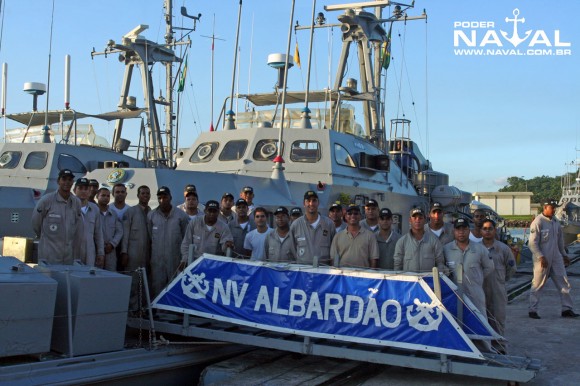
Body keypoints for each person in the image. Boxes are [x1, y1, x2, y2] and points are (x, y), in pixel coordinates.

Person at [528, 199, 579, 319]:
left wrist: (564, 255)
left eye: (555, 207)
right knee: (537, 284)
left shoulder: (555, 221)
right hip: (542, 258)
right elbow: (532, 243)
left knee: (564, 281)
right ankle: (532, 310)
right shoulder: (538, 222)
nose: (554, 209)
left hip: (556, 256)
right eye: (552, 207)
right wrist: (541, 256)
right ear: (545, 208)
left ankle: (567, 308)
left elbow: (560, 241)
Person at [32, 169, 83, 265]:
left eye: (69, 180)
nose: (67, 182)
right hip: (49, 255)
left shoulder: (76, 202)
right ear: (58, 181)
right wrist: (44, 236)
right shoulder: (47, 200)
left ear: (73, 182)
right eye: (64, 179)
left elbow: (77, 227)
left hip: (68, 257)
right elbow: (36, 223)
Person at [443, 218, 494, 315]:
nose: (461, 232)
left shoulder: (480, 249)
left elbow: (490, 267)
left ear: (469, 231)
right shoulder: (446, 249)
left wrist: (477, 277)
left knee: (480, 321)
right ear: (454, 231)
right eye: (458, 229)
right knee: (456, 322)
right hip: (454, 295)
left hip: (475, 294)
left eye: (464, 229)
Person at [481, 218, 517, 353]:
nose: (487, 231)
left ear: (495, 230)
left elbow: (511, 268)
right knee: (482, 317)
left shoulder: (503, 249)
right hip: (481, 288)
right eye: (484, 229)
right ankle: (484, 346)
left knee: (498, 318)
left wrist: (502, 280)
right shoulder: (476, 248)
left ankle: (500, 346)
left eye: (490, 228)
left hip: (497, 289)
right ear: (481, 231)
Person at [147, 186, 189, 298]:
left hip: (175, 257)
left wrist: (184, 258)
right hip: (157, 257)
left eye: (165, 197)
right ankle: (158, 311)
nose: (162, 200)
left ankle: (173, 312)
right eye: (159, 198)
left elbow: (186, 238)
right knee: (157, 284)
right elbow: (150, 236)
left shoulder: (181, 216)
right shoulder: (151, 215)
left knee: (175, 284)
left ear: (170, 197)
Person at [121, 185, 152, 313]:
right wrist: (124, 252)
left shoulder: (152, 212)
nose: (145, 195)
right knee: (132, 282)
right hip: (133, 253)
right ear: (138, 195)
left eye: (147, 193)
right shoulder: (131, 212)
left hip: (147, 254)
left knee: (144, 282)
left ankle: (141, 308)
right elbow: (125, 233)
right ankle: (130, 309)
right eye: (143, 193)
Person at [180, 200, 234, 267]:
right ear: (205, 211)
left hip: (214, 264)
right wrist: (185, 260)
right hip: (194, 263)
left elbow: (226, 247)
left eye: (214, 211)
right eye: (209, 211)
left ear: (218, 212)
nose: (212, 213)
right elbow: (186, 243)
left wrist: (227, 245)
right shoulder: (194, 223)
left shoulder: (224, 227)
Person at [289, 190, 336, 265]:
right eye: (308, 201)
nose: (311, 204)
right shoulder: (295, 225)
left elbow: (334, 250)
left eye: (314, 200)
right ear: (304, 203)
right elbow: (292, 250)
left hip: (324, 271)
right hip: (303, 272)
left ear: (318, 203)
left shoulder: (329, 224)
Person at [393, 208, 445, 273]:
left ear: (425, 220)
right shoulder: (402, 242)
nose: (417, 220)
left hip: (428, 281)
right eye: (414, 218)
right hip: (409, 282)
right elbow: (397, 266)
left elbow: (440, 263)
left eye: (420, 218)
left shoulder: (434, 241)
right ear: (410, 220)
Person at [74, 177, 105, 268]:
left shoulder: (94, 209)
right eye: (80, 188)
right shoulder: (68, 207)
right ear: (74, 190)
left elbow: (98, 233)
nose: (83, 191)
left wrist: (100, 253)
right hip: (72, 251)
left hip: (89, 252)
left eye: (86, 189)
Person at [96, 187, 123, 271]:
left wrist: (112, 244)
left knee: (111, 276)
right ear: (97, 196)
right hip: (95, 250)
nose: (105, 198)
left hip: (110, 251)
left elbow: (119, 231)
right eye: (103, 195)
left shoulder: (113, 214)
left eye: (108, 196)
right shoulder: (93, 212)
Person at [110, 183, 129, 271]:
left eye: (122, 192)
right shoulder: (108, 209)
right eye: (117, 192)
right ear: (113, 194)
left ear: (126, 193)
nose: (120, 194)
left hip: (125, 246)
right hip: (110, 246)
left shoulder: (130, 210)